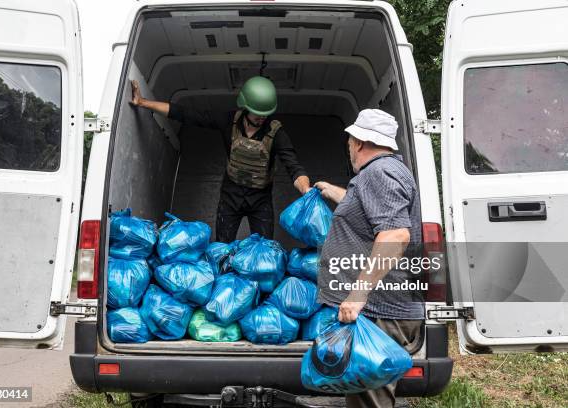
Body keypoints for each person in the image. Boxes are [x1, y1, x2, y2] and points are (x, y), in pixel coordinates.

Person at [315, 109, 425, 408]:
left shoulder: (379, 172)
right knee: (365, 397)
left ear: (360, 142)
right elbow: (369, 210)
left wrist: (358, 294)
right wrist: (332, 192)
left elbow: (394, 235)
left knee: (370, 400)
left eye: (350, 140)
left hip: (380, 312)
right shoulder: (382, 172)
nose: (349, 146)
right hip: (377, 311)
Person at [130, 76, 311, 242]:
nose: (262, 117)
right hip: (230, 196)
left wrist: (306, 189)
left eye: (265, 113)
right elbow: (186, 114)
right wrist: (143, 102)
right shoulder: (228, 121)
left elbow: (294, 166)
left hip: (260, 200)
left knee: (264, 250)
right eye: (257, 112)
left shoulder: (276, 133)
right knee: (223, 249)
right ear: (246, 106)